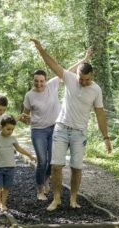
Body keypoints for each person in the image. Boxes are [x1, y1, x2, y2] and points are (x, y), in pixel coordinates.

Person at [30, 38, 112, 211]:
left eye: (86, 80)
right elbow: (53, 64)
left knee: (76, 167)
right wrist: (40, 49)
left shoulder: (96, 90)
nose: (83, 82)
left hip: (79, 132)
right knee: (56, 166)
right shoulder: (69, 78)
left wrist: (106, 137)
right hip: (61, 127)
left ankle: (73, 199)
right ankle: (57, 198)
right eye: (81, 79)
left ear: (92, 76)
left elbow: (100, 113)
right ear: (78, 75)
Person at [20, 53, 93, 201]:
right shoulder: (29, 95)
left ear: (46, 81)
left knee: (53, 161)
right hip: (38, 131)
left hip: (54, 128)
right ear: (33, 81)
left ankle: (46, 179)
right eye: (36, 81)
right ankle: (40, 190)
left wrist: (84, 60)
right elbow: (24, 115)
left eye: (42, 81)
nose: (39, 84)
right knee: (42, 161)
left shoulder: (53, 84)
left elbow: (68, 71)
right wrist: (25, 120)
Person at [0, 115, 36, 211]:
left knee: (6, 187)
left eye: (12, 129)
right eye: (8, 129)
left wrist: (30, 155)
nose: (10, 131)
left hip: (10, 167)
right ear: (1, 126)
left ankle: (3, 204)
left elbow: (19, 149)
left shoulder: (12, 138)